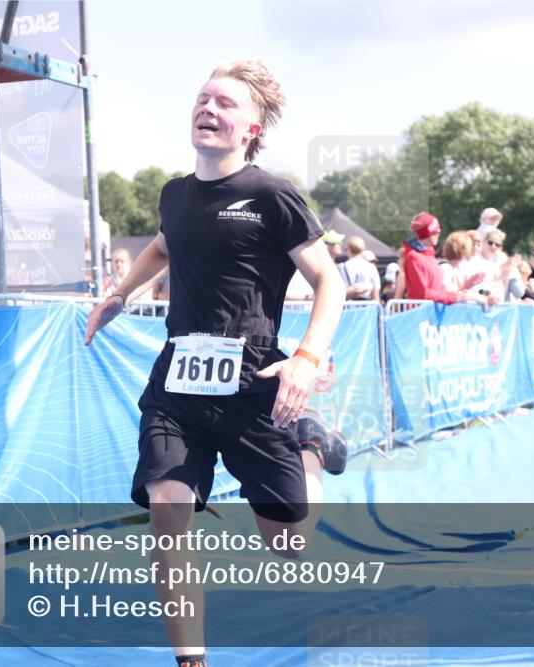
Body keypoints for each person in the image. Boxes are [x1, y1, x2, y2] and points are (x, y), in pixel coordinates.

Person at [83, 60, 348, 667]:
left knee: (288, 546)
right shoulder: (175, 195)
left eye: (225, 103)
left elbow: (328, 282)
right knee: (167, 514)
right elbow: (162, 245)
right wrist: (122, 295)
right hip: (177, 381)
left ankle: (309, 446)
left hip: (256, 379)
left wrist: (305, 359)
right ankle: (192, 661)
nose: (209, 108)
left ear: (253, 126)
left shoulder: (272, 196)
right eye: (203, 98)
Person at [400, 212, 486, 305]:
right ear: (430, 232)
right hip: (420, 314)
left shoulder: (428, 255)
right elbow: (422, 293)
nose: (439, 233)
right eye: (437, 231)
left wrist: (459, 294)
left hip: (431, 313)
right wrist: (455, 297)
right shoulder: (414, 257)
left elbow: (435, 290)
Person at [338, 236, 381, 301]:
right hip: (368, 307)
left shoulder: (342, 267)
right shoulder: (371, 267)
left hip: (348, 305)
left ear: (349, 250)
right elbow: (375, 293)